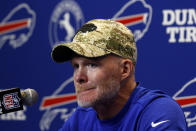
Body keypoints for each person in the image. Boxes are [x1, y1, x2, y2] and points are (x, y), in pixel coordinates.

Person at [51, 19, 187, 131]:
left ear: (125, 69)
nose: (79, 77)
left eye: (92, 65)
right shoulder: (80, 119)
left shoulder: (159, 111)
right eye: (76, 66)